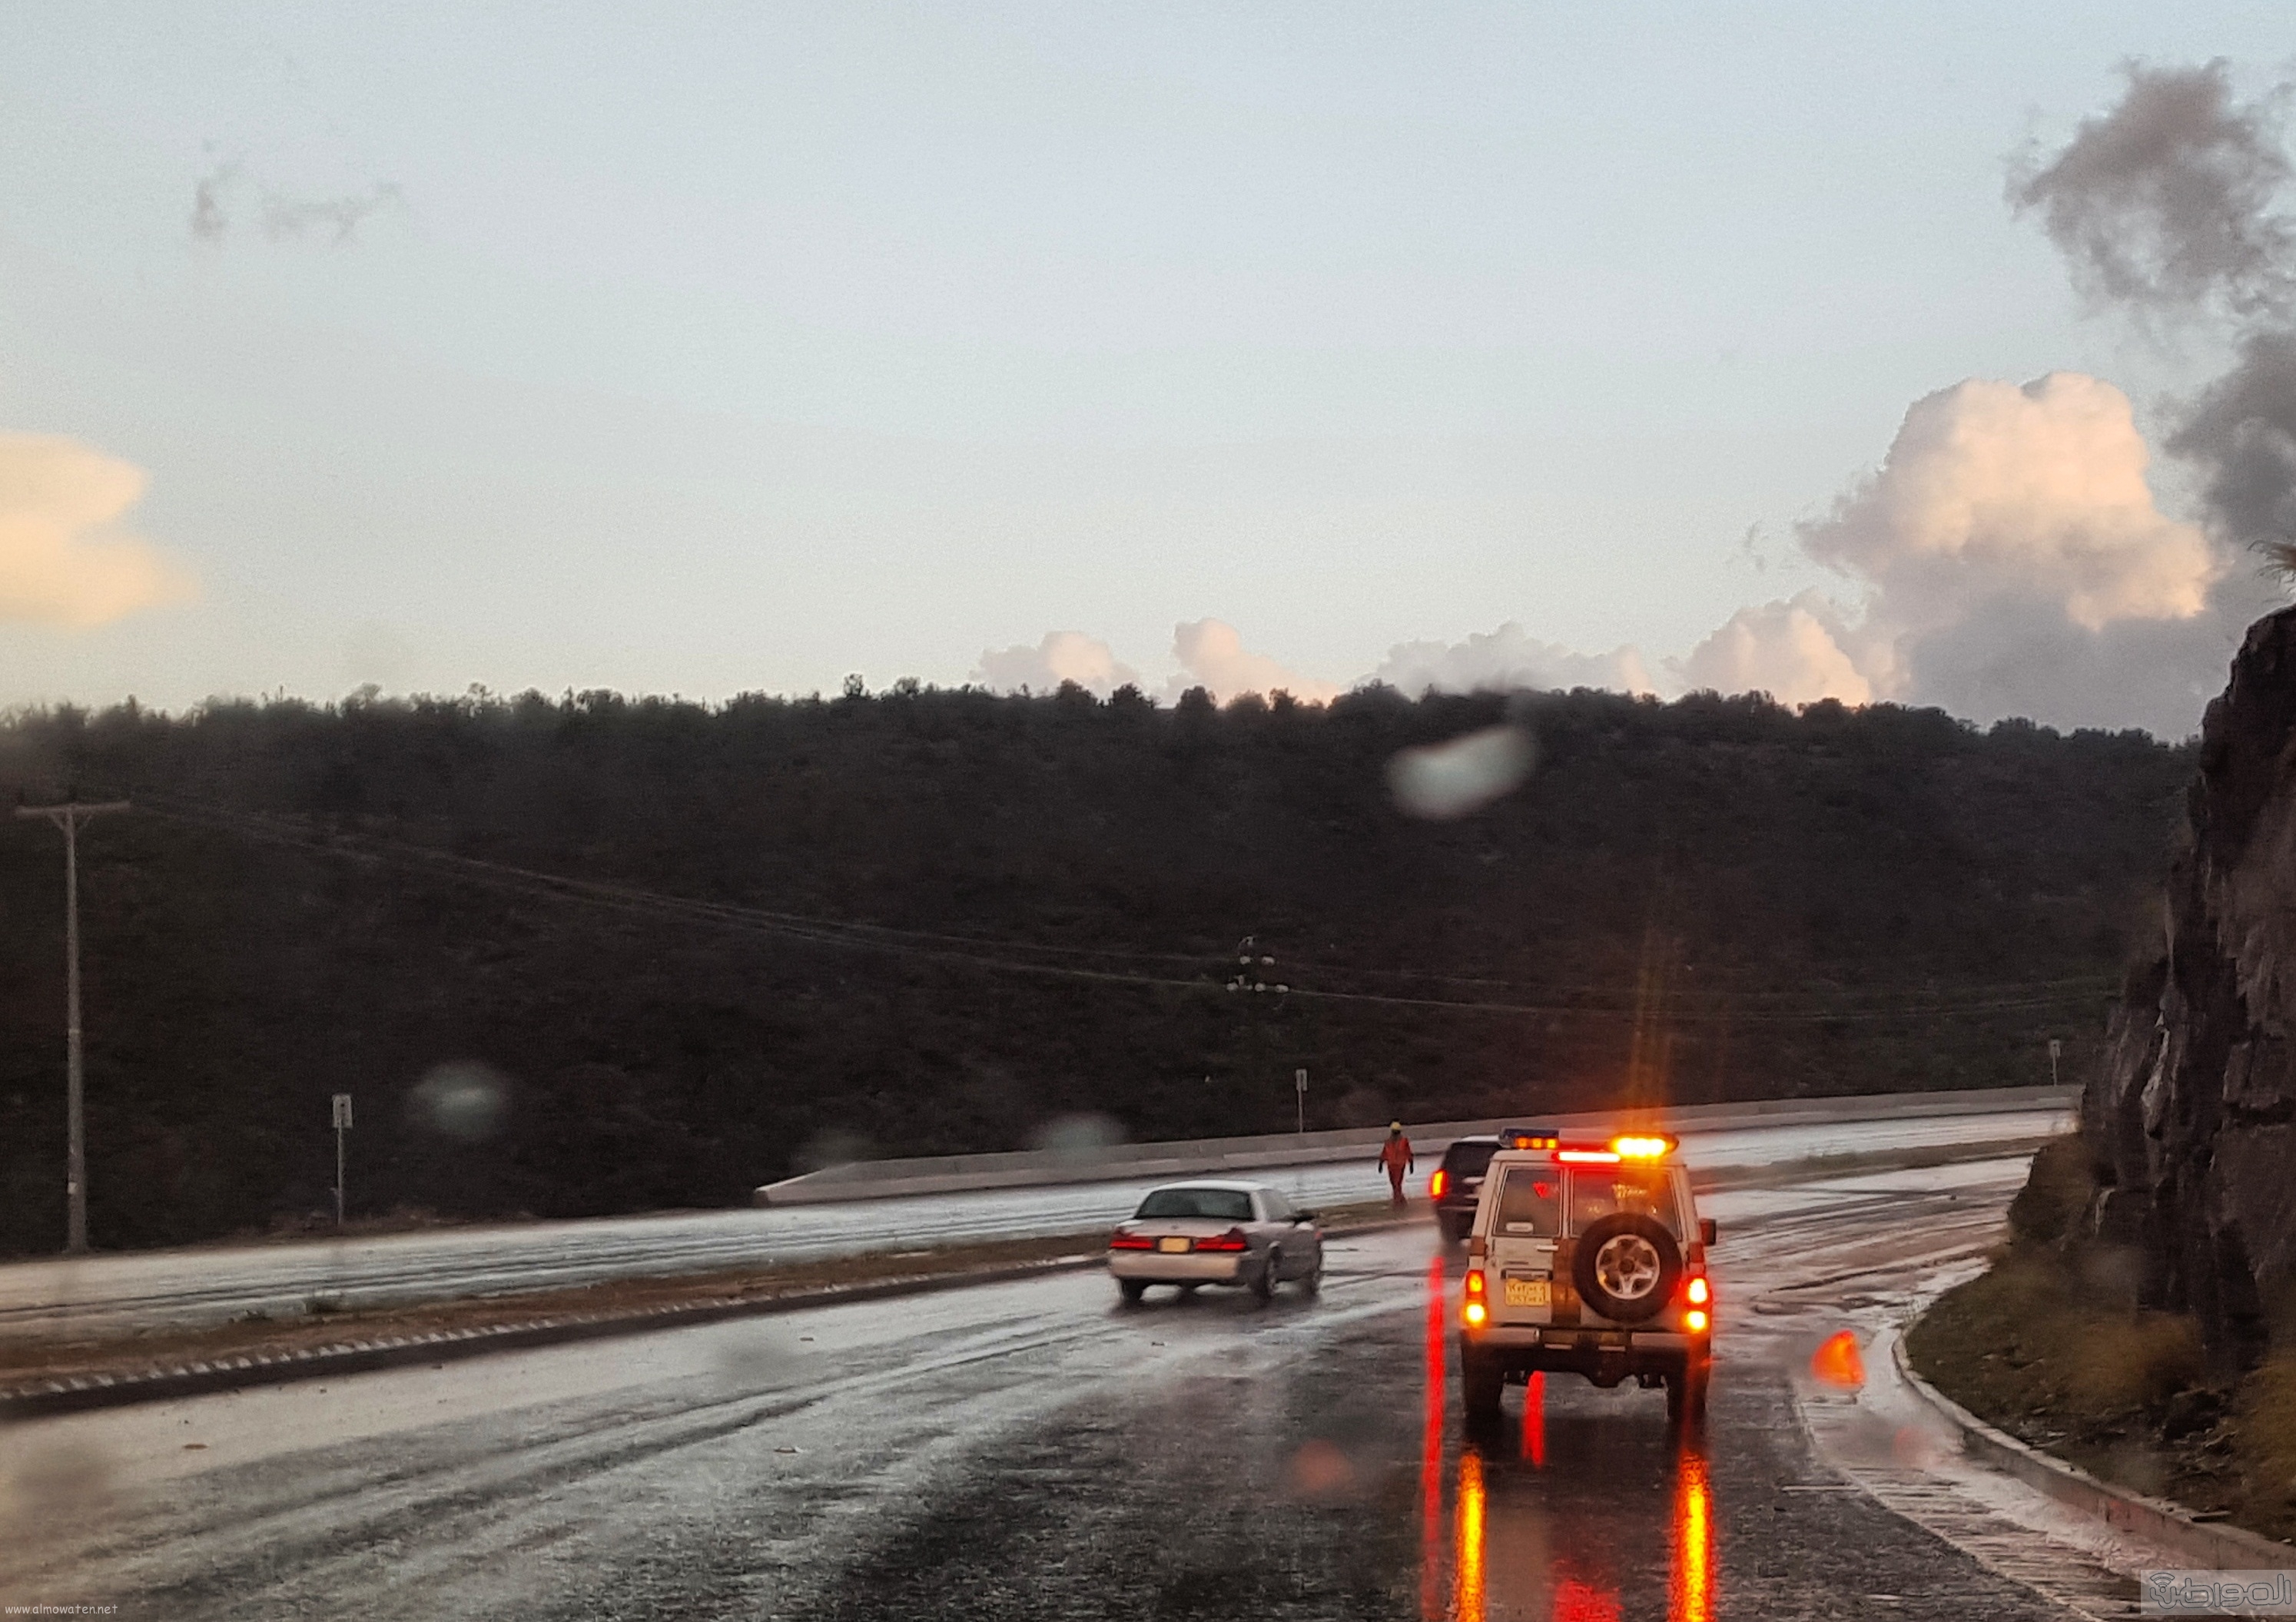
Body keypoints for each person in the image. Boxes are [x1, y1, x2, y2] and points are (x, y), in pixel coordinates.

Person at [1377, 1122, 1415, 1206]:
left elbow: (1408, 1152)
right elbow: (1384, 1153)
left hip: (1400, 1166)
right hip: (1391, 1165)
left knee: (1397, 1184)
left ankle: (1397, 1202)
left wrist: (1411, 1163)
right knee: (1394, 1185)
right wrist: (1381, 1163)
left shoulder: (1404, 1142)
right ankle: (1401, 1201)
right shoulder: (1388, 1142)